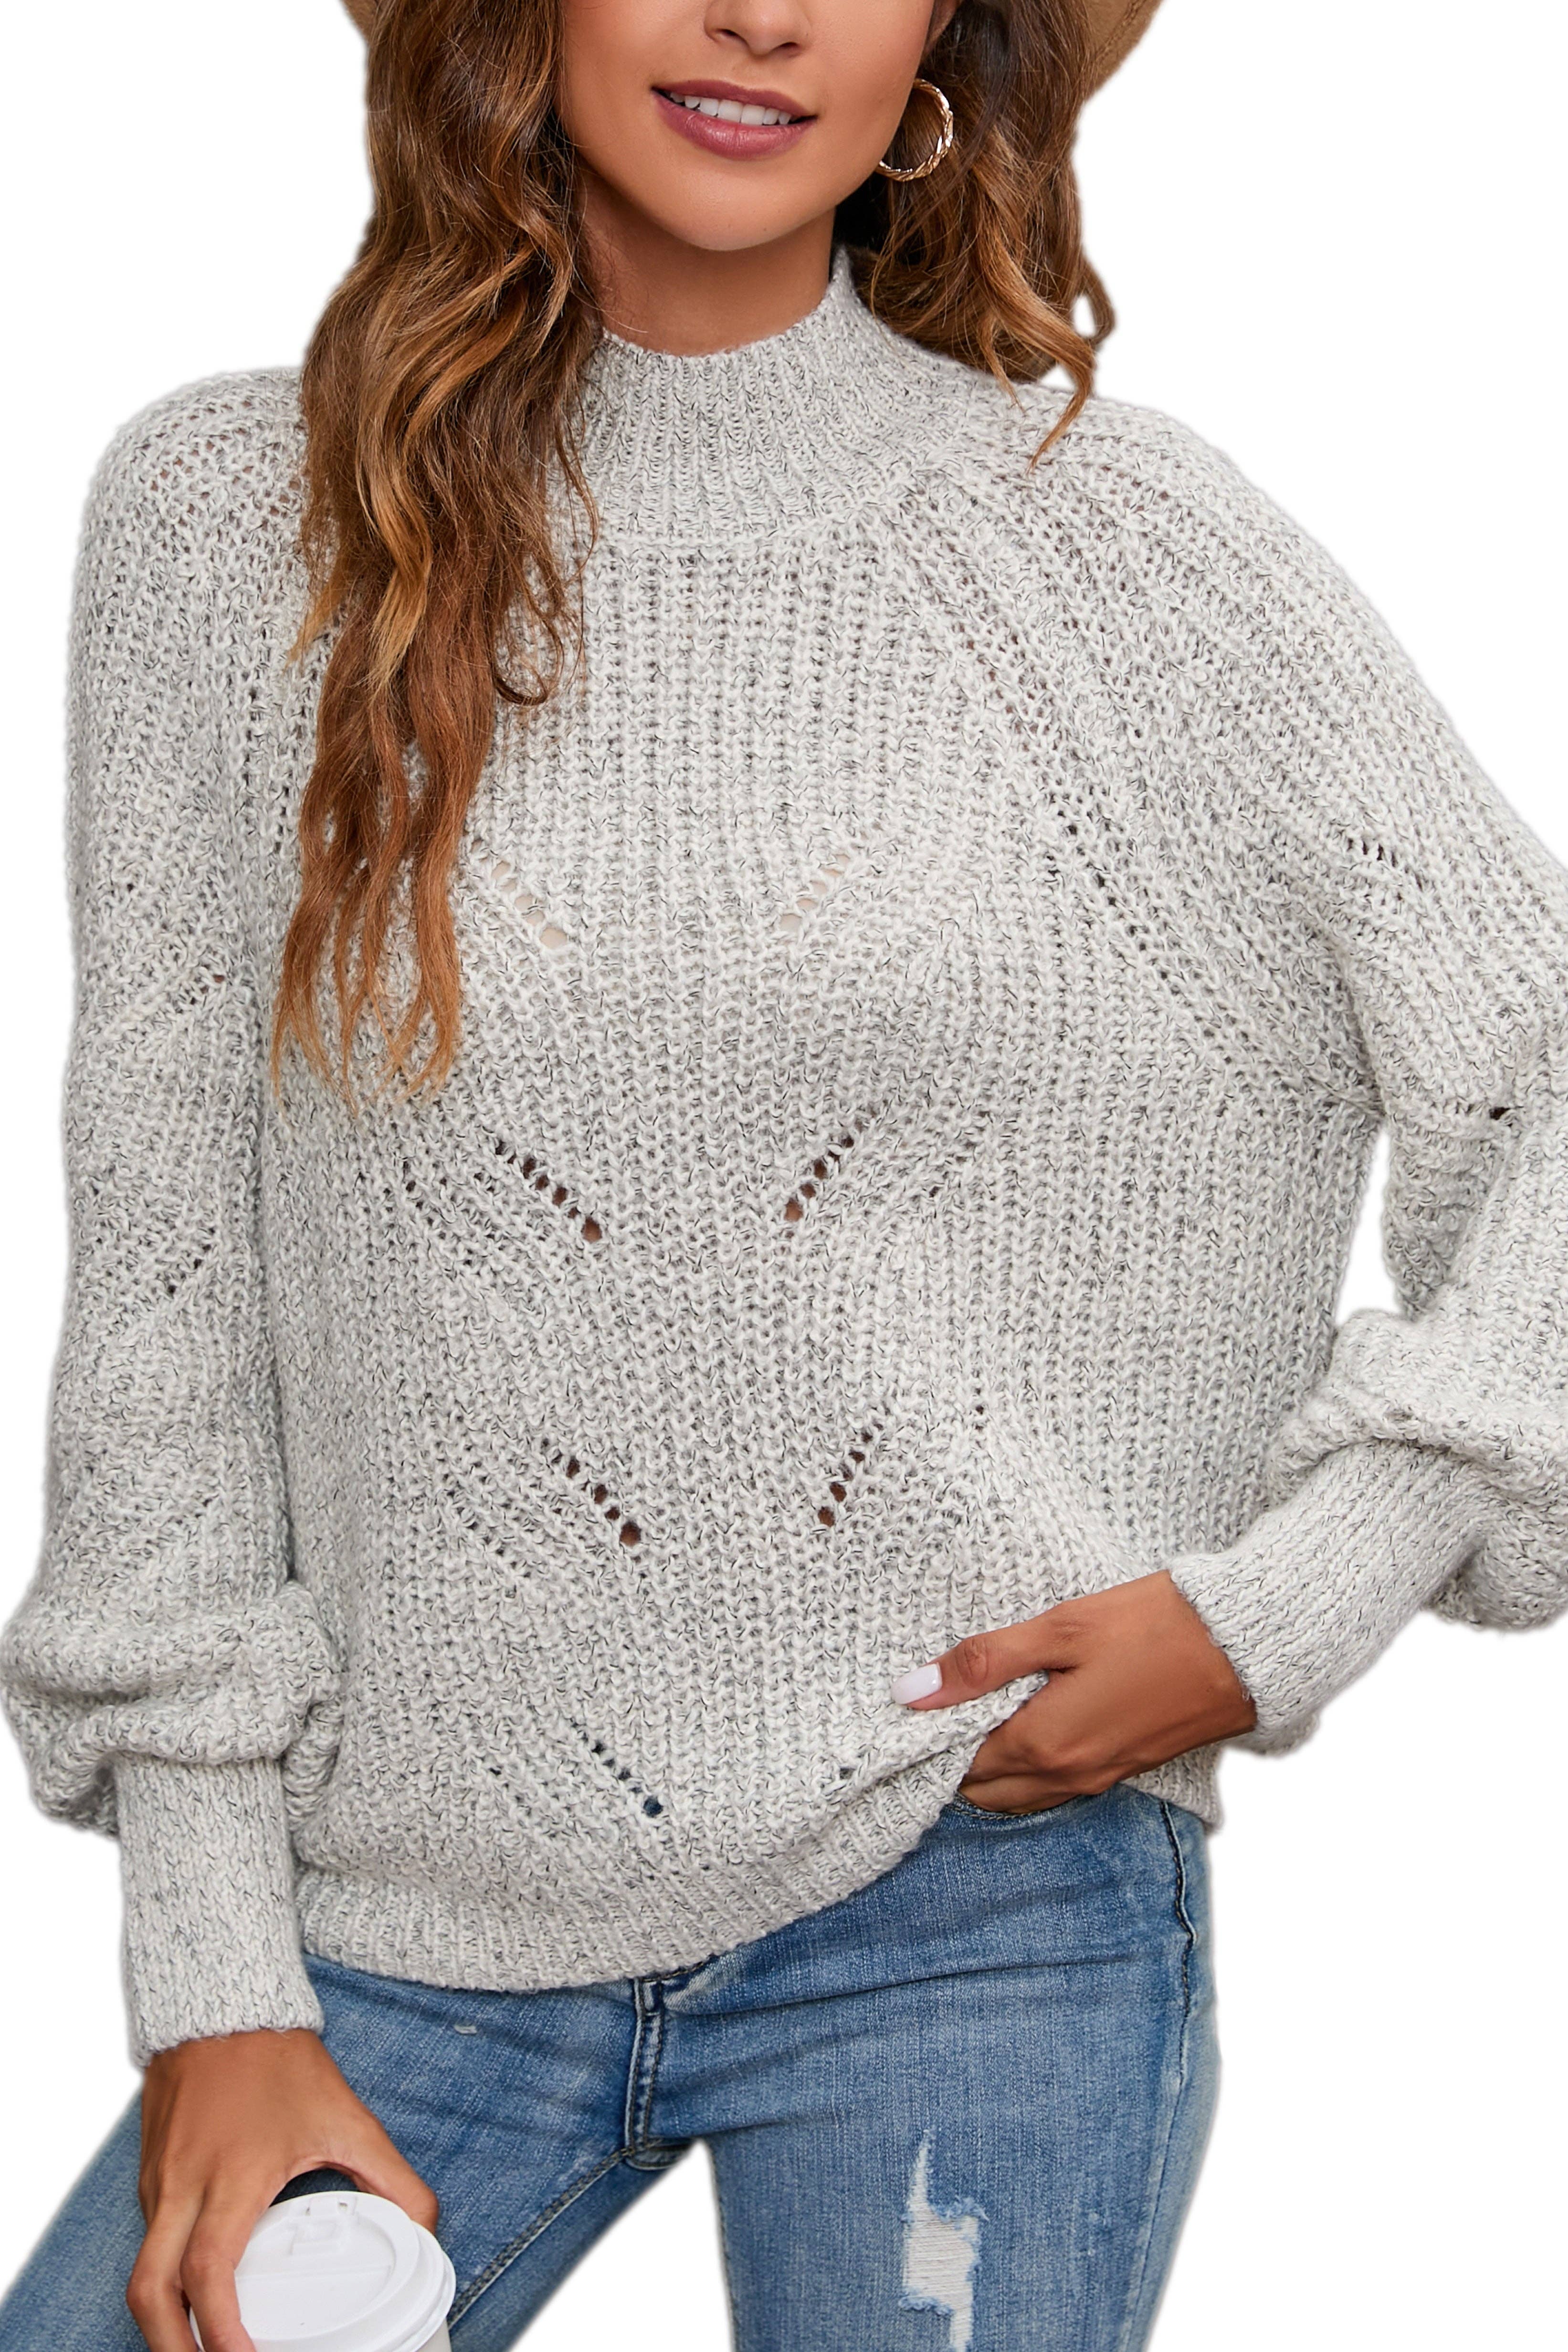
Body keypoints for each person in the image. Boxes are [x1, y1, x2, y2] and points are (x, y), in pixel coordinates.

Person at [3, 0, 1567, 2346]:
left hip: (979, 1887)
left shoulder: (1128, 555)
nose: (764, 13)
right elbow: (165, 1288)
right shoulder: (239, 526)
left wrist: (1292, 1595)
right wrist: (213, 1978)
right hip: (392, 1910)